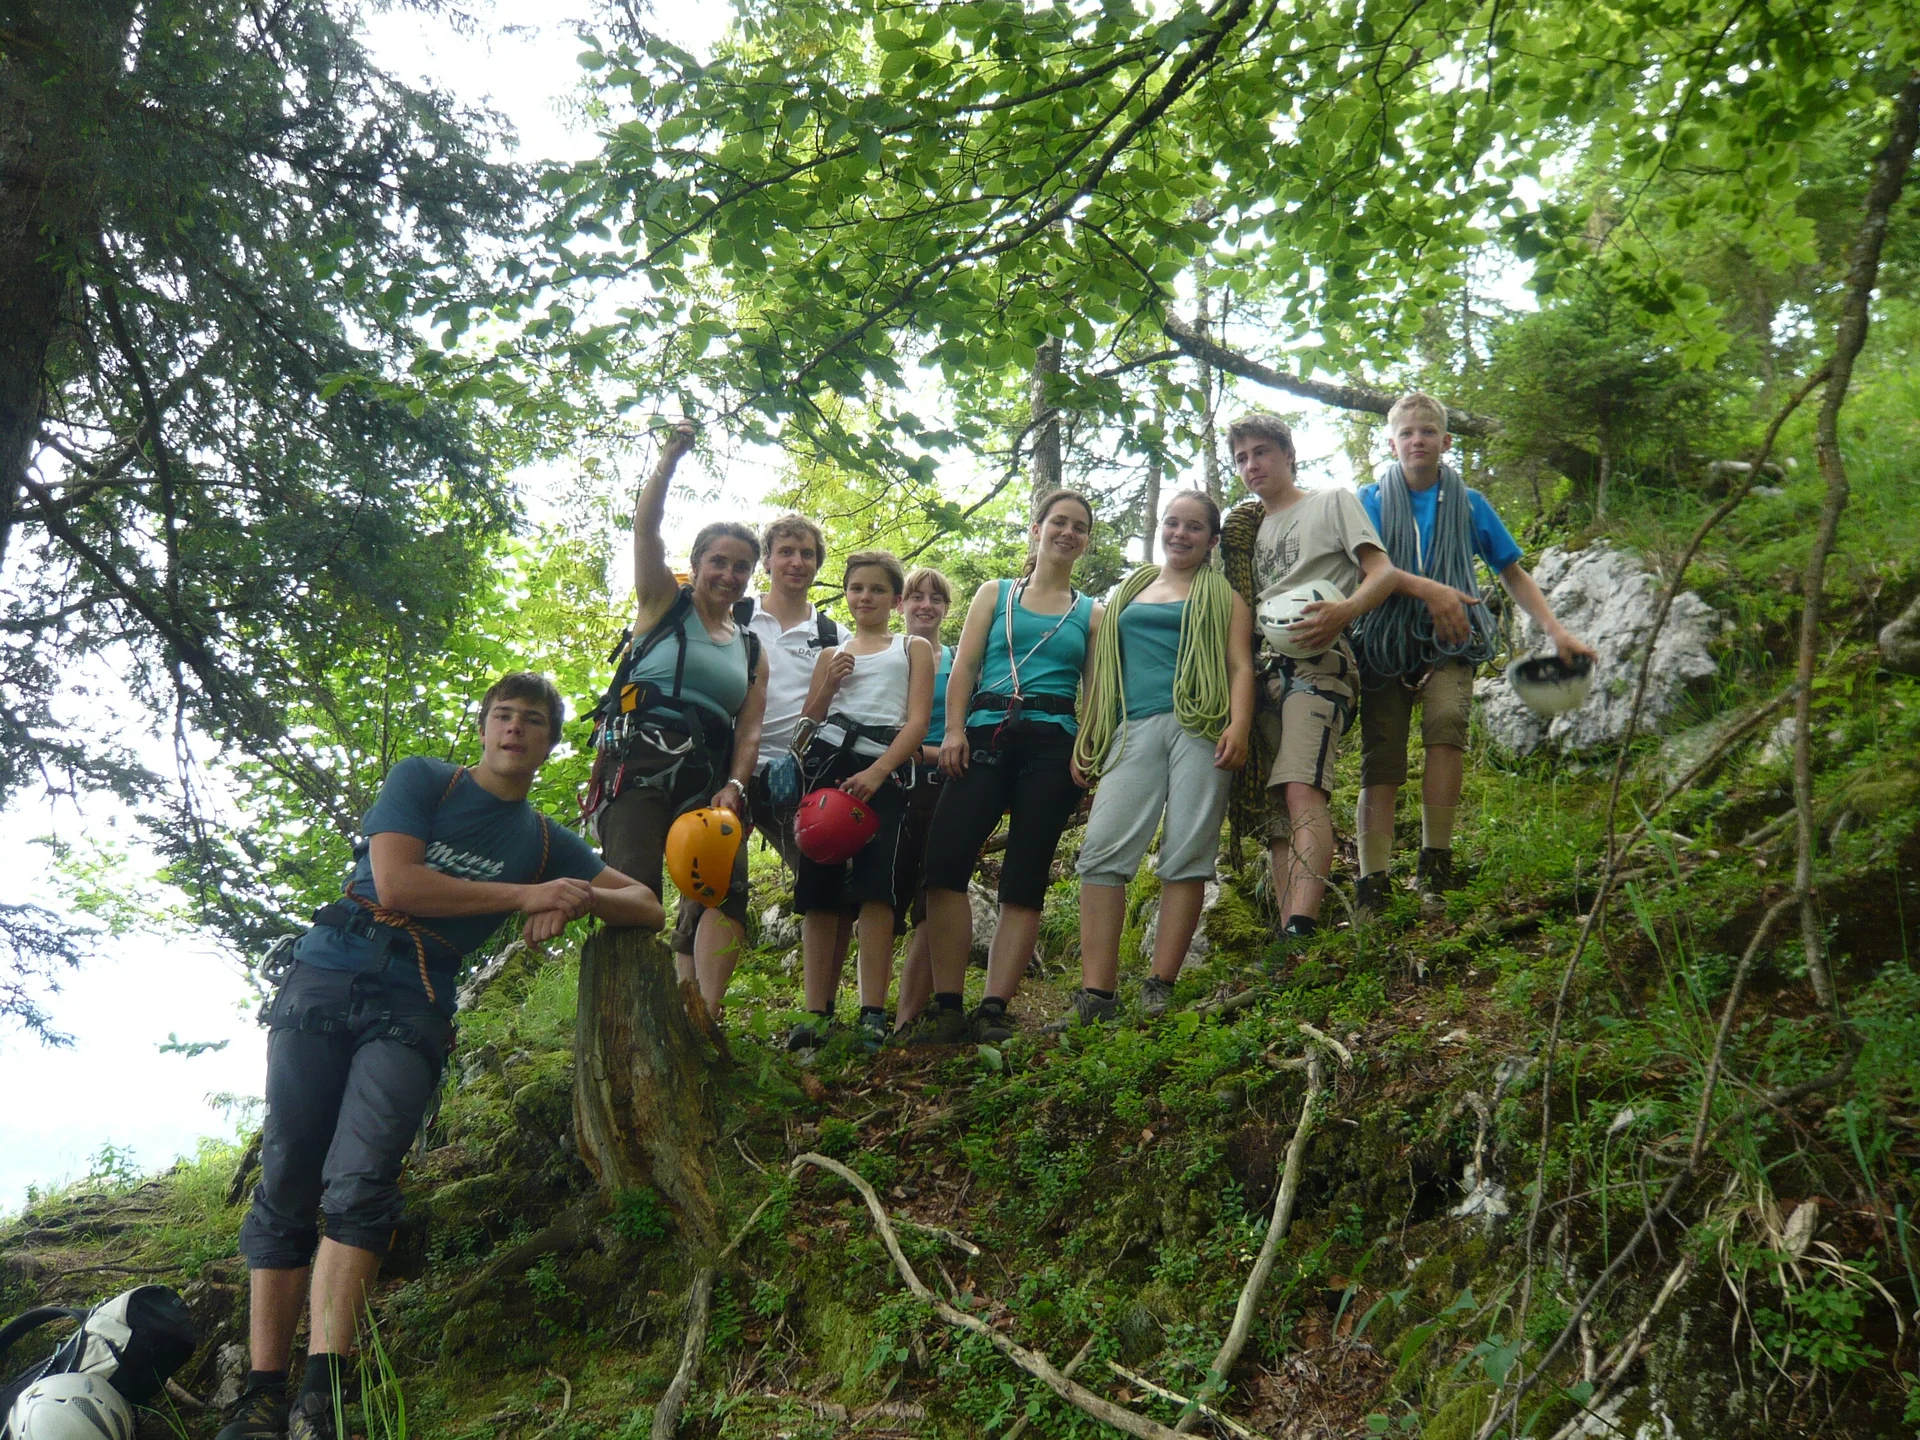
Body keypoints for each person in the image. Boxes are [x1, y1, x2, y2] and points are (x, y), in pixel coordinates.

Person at [221, 673, 661, 1440]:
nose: (514, 728)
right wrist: (527, 898)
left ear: (551, 742)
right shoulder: (424, 778)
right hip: (327, 977)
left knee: (361, 1181)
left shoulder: (543, 841)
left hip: (413, 1002)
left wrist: (573, 892)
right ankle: (261, 1393)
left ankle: (321, 1397)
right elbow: (398, 880)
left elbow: (649, 903)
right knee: (289, 1172)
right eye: (503, 715)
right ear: (485, 727)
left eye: (532, 720)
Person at [1351, 392, 1595, 916]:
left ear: (1446, 441)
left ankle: (1435, 860)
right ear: (1391, 442)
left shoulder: (1468, 503)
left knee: (1446, 732)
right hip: (1383, 642)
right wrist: (1427, 591)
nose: (1418, 440)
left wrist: (1555, 631)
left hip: (1451, 640)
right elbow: (1364, 571)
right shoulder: (1367, 500)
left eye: (1428, 431)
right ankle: (1373, 880)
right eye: (1407, 433)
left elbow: (1511, 571)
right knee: (1382, 759)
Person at [909, 489, 1104, 1044]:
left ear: (1085, 541)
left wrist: (1087, 754)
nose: (1068, 533)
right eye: (1058, 522)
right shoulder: (995, 594)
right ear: (1037, 528)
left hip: (1053, 744)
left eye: (1079, 527)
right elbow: (965, 664)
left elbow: (1096, 691)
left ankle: (994, 1007)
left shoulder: (1091, 613)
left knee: (1025, 875)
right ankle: (948, 1002)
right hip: (983, 736)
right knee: (944, 863)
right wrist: (951, 731)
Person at [592, 418, 769, 1016]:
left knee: (725, 890)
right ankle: (630, 1018)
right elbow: (646, 526)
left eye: (742, 566)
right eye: (718, 562)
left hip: (707, 778)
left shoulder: (749, 646)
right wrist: (670, 456)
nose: (729, 575)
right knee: (631, 887)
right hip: (637, 762)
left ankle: (704, 1014)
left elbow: (749, 728)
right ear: (695, 565)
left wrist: (736, 787)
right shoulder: (663, 605)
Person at [1058, 490, 1254, 1026]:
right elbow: (1102, 667)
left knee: (1187, 852)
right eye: (1172, 523)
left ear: (1212, 541)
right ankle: (1097, 995)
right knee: (1101, 851)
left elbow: (1240, 665)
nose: (1179, 534)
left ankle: (1159, 985)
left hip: (1201, 726)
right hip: (1131, 728)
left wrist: (1238, 724)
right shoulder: (1128, 592)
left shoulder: (1225, 598)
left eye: (1194, 527)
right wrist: (1091, 731)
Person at [1217, 413, 1409, 951]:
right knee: (1277, 804)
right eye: (1241, 457)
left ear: (1287, 452)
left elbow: (1383, 571)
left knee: (1302, 787)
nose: (1251, 465)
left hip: (1320, 662)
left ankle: (1302, 928)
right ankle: (1288, 933)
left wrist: (1343, 611)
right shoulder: (1246, 531)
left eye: (1261, 452)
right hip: (1262, 673)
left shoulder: (1330, 502)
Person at [667, 511, 850, 1002]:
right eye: (785, 552)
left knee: (827, 884)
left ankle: (819, 1014)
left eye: (807, 553)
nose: (796, 562)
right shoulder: (735, 616)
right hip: (730, 768)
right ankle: (698, 1012)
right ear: (766, 560)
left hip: (802, 774)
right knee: (712, 888)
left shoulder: (834, 635)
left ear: (817, 564)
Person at [786, 551, 934, 1052]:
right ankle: (814, 1011)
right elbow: (807, 723)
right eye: (855, 588)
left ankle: (873, 1008)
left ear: (895, 600)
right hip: (827, 770)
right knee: (818, 886)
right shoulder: (832, 653)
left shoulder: (912, 647)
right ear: (846, 594)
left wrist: (879, 771)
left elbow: (916, 722)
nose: (864, 597)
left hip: (883, 771)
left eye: (875, 590)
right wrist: (829, 683)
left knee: (877, 889)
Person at [887, 567, 955, 1035]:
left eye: (935, 598)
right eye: (916, 596)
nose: (925, 605)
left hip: (942, 786)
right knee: (881, 896)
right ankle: (870, 1007)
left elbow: (962, 727)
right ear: (900, 605)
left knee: (935, 896)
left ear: (947, 609)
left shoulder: (958, 658)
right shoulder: (885, 654)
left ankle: (907, 1017)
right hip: (888, 784)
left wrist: (929, 753)